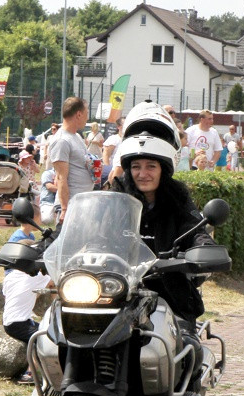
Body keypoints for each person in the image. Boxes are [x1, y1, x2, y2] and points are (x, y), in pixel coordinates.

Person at [111, 127, 217, 376]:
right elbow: (91, 225)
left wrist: (203, 247)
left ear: (163, 169)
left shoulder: (177, 198)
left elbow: (195, 228)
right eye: (136, 166)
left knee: (188, 350)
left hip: (168, 294)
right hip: (118, 292)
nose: (142, 173)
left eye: (151, 166)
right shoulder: (117, 192)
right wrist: (51, 244)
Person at [2, 237, 51, 385]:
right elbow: (53, 281)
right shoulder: (34, 277)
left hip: (10, 320)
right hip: (19, 324)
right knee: (43, 338)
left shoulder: (10, 276)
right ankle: (30, 373)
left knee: (42, 328)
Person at [49, 97, 93, 219]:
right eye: (86, 113)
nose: (87, 118)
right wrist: (64, 209)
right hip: (71, 208)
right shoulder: (62, 140)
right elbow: (61, 177)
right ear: (79, 114)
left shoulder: (77, 137)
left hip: (82, 204)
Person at [102, 116, 125, 182]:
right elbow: (106, 155)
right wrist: (108, 170)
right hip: (112, 171)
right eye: (125, 124)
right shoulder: (114, 139)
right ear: (119, 127)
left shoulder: (127, 139)